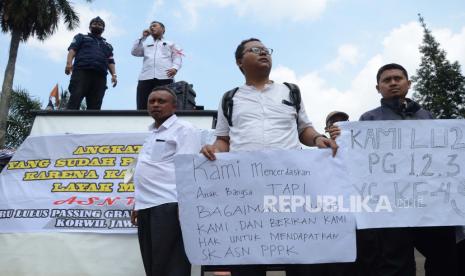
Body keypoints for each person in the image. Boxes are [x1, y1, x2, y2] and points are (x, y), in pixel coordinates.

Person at [201, 38, 338, 276]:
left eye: (266, 50)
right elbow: (223, 139)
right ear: (239, 62)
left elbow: (304, 129)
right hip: (245, 192)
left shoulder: (291, 91)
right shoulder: (230, 98)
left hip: (291, 189)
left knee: (302, 258)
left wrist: (317, 139)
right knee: (248, 261)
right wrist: (214, 149)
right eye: (255, 50)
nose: (263, 53)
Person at [329, 63, 458, 276]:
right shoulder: (368, 119)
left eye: (397, 78)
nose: (393, 83)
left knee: (443, 256)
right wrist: (342, 140)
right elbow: (360, 160)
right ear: (378, 88)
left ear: (408, 83)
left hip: (428, 203)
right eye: (386, 80)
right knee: (395, 262)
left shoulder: (426, 116)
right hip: (390, 207)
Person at [130, 87, 200, 276]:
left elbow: (188, 167)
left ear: (174, 106)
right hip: (147, 206)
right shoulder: (152, 133)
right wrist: (138, 203)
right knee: (153, 264)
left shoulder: (185, 129)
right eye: (151, 101)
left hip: (169, 205)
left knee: (172, 265)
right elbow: (148, 170)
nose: (155, 105)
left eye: (161, 101)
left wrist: (184, 204)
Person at [65, 16, 117, 110]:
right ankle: (68, 121)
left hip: (100, 76)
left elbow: (110, 61)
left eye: (100, 24)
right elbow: (72, 50)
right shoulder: (81, 37)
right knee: (75, 98)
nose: (97, 25)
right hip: (82, 72)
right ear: (90, 27)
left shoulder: (107, 45)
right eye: (95, 23)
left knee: (95, 106)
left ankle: (92, 124)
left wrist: (114, 75)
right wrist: (69, 63)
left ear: (103, 29)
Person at [131, 21, 183, 110]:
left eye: (154, 26)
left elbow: (178, 56)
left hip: (165, 77)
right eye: (150, 26)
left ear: (163, 29)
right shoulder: (146, 45)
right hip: (145, 77)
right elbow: (135, 52)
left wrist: (175, 68)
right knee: (142, 105)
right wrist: (143, 37)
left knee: (165, 104)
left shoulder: (171, 43)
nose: (152, 28)